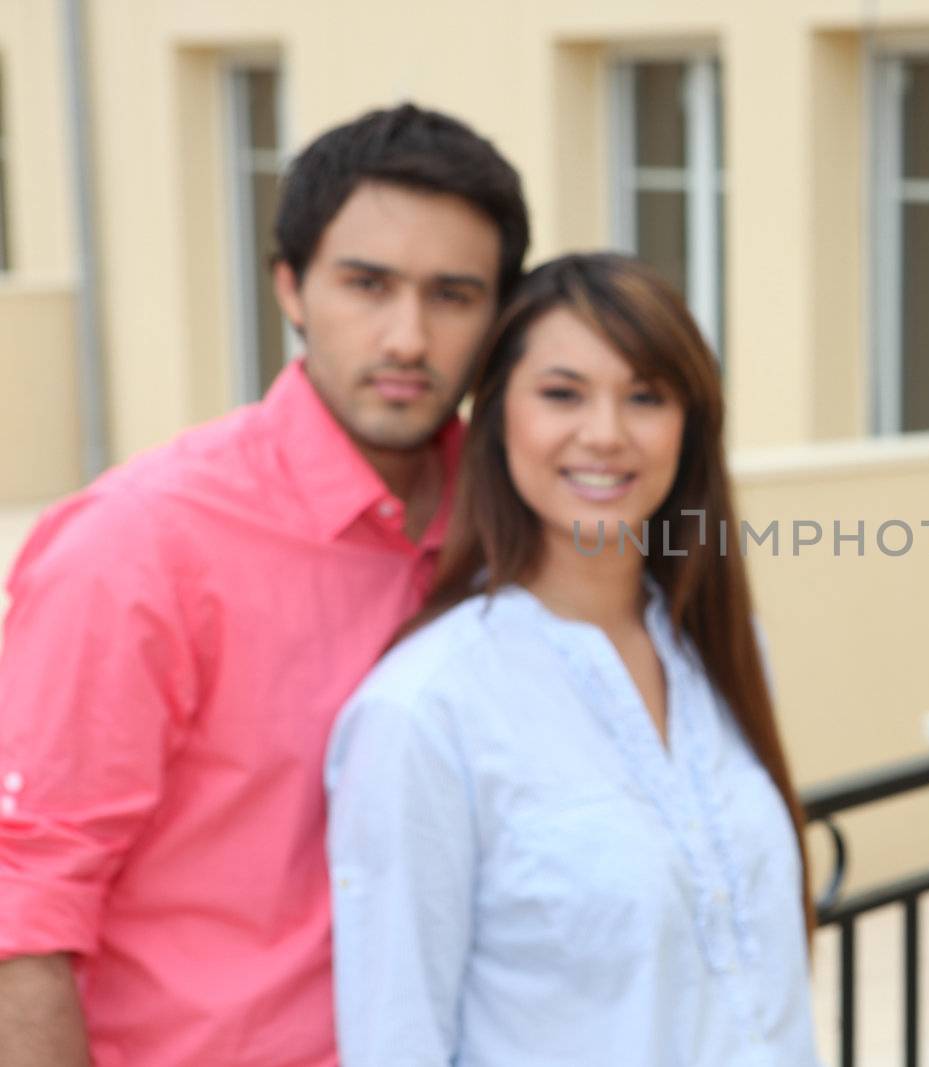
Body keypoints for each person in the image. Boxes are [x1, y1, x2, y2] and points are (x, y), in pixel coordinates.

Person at [0, 104, 529, 1066]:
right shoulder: (138, 543)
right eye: (367, 285)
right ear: (291, 286)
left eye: (453, 294)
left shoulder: (513, 526)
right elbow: (23, 914)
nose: (407, 337)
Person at [324, 253, 818, 1066]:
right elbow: (395, 1038)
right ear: (496, 417)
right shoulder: (424, 710)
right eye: (562, 393)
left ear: (690, 425)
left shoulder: (719, 649)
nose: (604, 433)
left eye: (646, 396)